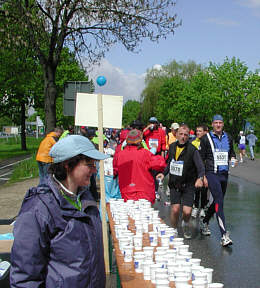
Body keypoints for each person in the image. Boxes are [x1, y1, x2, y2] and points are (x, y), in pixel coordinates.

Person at [10, 135, 109, 288]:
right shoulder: (39, 208)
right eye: (89, 164)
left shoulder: (86, 199)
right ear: (68, 165)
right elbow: (25, 277)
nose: (94, 169)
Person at [157, 124, 206, 239]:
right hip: (175, 183)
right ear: (177, 134)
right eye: (181, 134)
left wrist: (200, 178)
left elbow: (201, 167)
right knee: (175, 209)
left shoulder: (192, 150)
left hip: (188, 184)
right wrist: (163, 174)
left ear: (189, 136)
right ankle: (174, 229)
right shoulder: (173, 146)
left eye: (186, 135)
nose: (183, 137)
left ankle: (185, 223)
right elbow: (170, 163)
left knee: (187, 212)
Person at [199, 114, 237, 247]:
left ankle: (204, 222)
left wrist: (233, 159)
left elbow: (232, 152)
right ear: (212, 124)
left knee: (217, 201)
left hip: (224, 174)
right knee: (219, 202)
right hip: (211, 173)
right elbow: (200, 159)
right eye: (216, 123)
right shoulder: (205, 138)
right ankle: (224, 235)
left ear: (223, 124)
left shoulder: (229, 137)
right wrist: (202, 176)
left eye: (220, 122)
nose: (218, 125)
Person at [113, 129, 166, 203]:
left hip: (126, 191)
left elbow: (114, 171)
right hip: (144, 192)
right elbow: (160, 163)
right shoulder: (145, 154)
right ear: (140, 141)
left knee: (129, 213)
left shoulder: (119, 155)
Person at [191, 124, 209, 218]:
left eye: (200, 131)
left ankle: (202, 208)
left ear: (205, 132)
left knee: (204, 190)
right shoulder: (193, 142)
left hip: (206, 169)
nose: (197, 132)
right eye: (197, 131)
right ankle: (195, 207)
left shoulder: (208, 142)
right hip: (196, 170)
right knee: (196, 189)